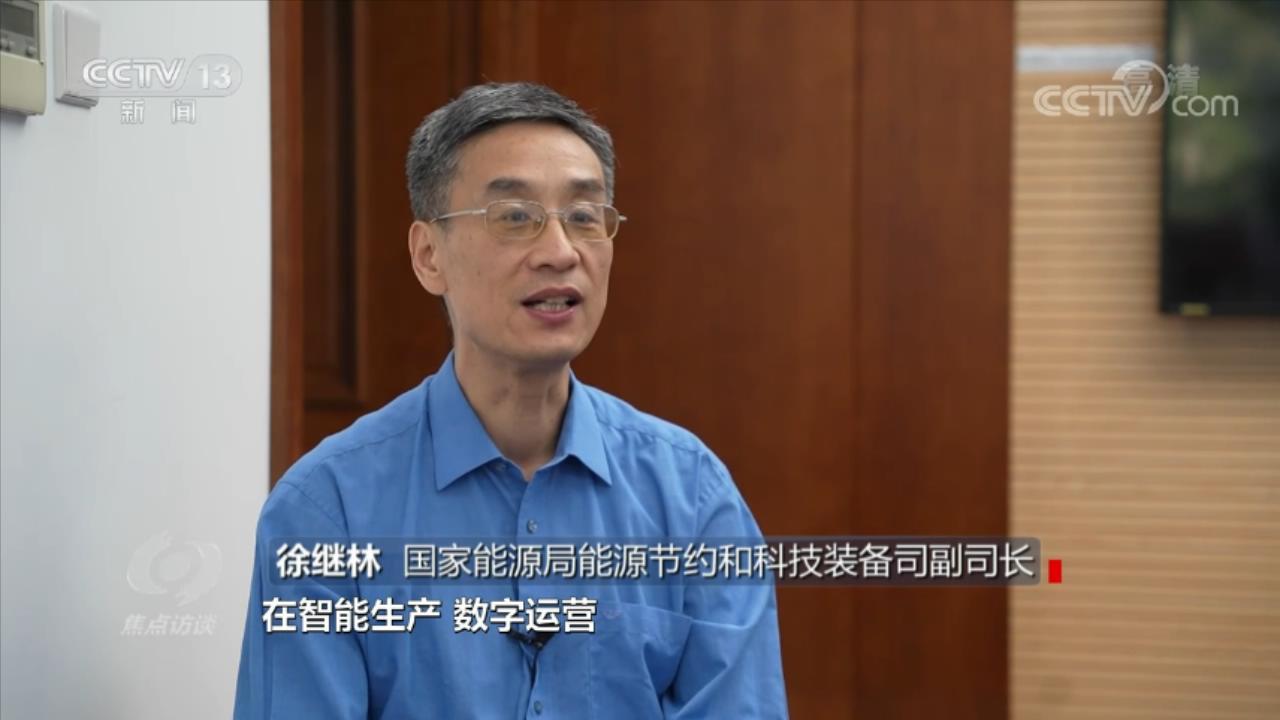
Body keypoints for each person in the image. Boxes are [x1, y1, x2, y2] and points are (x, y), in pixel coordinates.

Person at [233, 82, 788, 719]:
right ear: (428, 255)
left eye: (585, 216)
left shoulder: (691, 496)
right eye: (515, 217)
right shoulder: (327, 510)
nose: (560, 252)